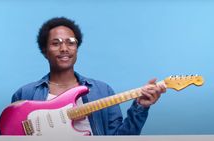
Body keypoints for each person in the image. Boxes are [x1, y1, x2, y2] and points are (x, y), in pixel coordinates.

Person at [11, 17, 166, 135]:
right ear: (45, 50)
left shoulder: (102, 91)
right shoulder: (25, 94)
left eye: (70, 42)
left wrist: (141, 107)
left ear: (76, 48)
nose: (64, 48)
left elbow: (121, 137)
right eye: (56, 43)